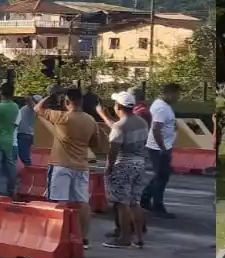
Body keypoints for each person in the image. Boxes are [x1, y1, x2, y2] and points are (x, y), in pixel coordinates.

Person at [36, 87, 98, 248]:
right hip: (81, 166)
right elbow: (95, 144)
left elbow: (38, 108)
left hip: (61, 165)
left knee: (59, 201)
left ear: (66, 102)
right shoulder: (90, 120)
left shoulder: (61, 117)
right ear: (81, 101)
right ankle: (83, 239)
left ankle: (58, 236)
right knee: (82, 201)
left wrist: (51, 94)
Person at [102, 91, 150, 249]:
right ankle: (139, 238)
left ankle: (124, 238)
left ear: (119, 106)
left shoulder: (119, 126)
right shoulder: (142, 122)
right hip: (140, 164)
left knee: (121, 202)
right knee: (135, 202)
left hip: (123, 164)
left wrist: (109, 167)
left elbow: (113, 149)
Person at [140, 83, 180, 219]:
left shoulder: (163, 106)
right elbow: (156, 129)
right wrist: (163, 148)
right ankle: (158, 207)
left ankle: (145, 200)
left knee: (161, 176)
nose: (178, 97)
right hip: (159, 148)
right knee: (161, 177)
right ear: (169, 93)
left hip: (163, 146)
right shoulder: (162, 108)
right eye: (176, 94)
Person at [15, 94, 37, 167]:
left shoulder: (33, 108)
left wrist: (29, 97)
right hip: (24, 133)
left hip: (25, 134)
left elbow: (29, 101)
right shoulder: (28, 108)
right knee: (23, 154)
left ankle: (29, 170)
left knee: (23, 155)